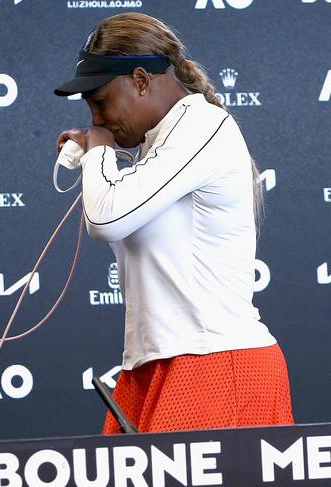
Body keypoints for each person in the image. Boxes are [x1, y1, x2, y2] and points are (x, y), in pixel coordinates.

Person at [54, 12, 294, 434]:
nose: (95, 118)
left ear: (142, 80)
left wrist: (98, 149)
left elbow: (106, 218)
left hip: (216, 362)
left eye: (101, 101)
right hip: (152, 365)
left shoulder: (201, 125)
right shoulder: (158, 142)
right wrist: (103, 150)